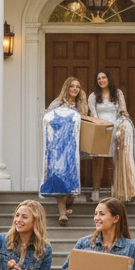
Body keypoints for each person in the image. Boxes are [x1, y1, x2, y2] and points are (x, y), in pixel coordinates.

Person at [87, 70, 135, 203]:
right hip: (100, 129)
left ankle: (119, 191)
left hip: (117, 129)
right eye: (98, 78)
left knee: (118, 160)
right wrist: (101, 127)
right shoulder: (93, 96)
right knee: (98, 162)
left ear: (108, 79)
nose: (101, 80)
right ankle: (95, 191)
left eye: (103, 77)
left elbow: (123, 110)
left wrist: (125, 116)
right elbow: (93, 114)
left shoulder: (118, 93)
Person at [42, 76, 88, 224]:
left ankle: (68, 202)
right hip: (59, 146)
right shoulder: (57, 103)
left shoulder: (81, 104)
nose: (75, 89)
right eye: (72, 86)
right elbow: (46, 119)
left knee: (72, 177)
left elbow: (86, 121)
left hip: (76, 145)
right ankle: (62, 213)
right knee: (60, 176)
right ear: (66, 88)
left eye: (78, 86)